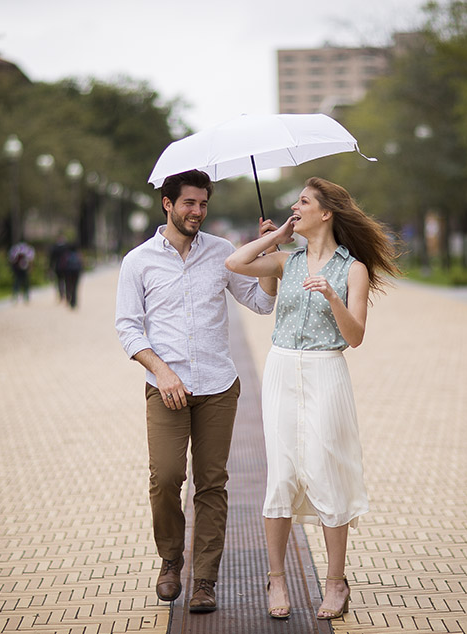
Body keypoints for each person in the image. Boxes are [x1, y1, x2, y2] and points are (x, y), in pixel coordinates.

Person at [225, 176, 400, 621]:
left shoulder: (352, 268)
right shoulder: (286, 259)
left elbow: (356, 336)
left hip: (327, 371)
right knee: (281, 473)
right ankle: (277, 578)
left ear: (326, 214)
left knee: (328, 471)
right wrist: (275, 237)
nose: (295, 208)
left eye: (303, 203)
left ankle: (336, 582)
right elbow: (235, 262)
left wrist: (331, 297)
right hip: (282, 369)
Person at [115, 169, 278, 613]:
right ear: (167, 204)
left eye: (203, 204)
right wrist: (161, 372)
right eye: (189, 203)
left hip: (218, 386)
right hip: (165, 387)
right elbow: (128, 328)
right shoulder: (139, 261)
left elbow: (262, 303)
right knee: (166, 477)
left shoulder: (224, 252)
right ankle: (171, 559)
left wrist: (269, 256)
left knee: (212, 484)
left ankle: (204, 580)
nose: (197, 212)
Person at [49, 234, 68, 303]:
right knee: (65, 281)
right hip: (66, 266)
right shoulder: (66, 247)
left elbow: (51, 259)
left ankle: (61, 294)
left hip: (58, 266)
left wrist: (50, 267)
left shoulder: (54, 247)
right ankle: (66, 294)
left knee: (60, 281)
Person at [62, 244, 83, 309]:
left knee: (68, 286)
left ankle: (68, 298)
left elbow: (63, 265)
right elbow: (81, 264)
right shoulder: (78, 255)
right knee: (75, 287)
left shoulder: (67, 255)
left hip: (68, 272)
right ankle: (74, 302)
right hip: (76, 273)